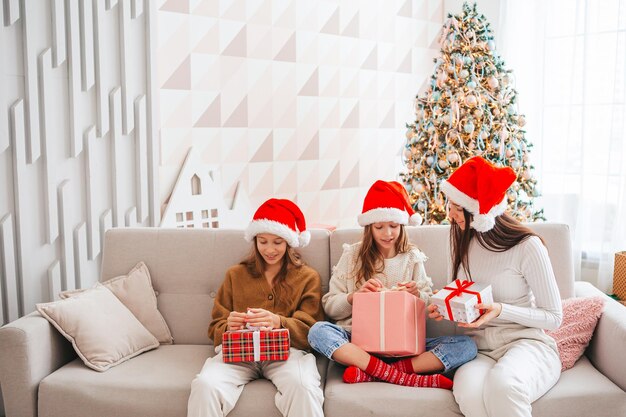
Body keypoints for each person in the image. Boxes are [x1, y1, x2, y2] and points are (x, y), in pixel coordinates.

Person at [307, 180, 477, 389]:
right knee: (318, 331)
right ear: (369, 227)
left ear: (402, 225)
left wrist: (417, 297)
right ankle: (402, 376)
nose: (387, 234)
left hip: (403, 346)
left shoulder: (412, 257)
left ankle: (378, 372)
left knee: (467, 346)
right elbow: (330, 306)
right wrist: (355, 297)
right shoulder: (352, 255)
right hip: (359, 345)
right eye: (379, 227)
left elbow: (429, 309)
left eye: (393, 226)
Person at [434, 156, 563, 417]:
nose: (450, 213)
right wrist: (444, 308)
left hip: (526, 344)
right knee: (468, 392)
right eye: (450, 205)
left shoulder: (528, 246)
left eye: (458, 207)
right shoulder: (461, 241)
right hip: (478, 349)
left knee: (504, 386)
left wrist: (501, 310)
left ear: (478, 211)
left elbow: (554, 317)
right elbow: (464, 298)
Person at [187, 199, 324, 417]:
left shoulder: (307, 277)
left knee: (303, 386)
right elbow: (215, 327)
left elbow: (313, 330)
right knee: (205, 384)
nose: (269, 249)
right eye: (263, 241)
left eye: (278, 242)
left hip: (286, 354)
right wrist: (228, 326)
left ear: (289, 242)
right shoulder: (235, 274)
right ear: (255, 241)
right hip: (238, 354)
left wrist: (278, 322)